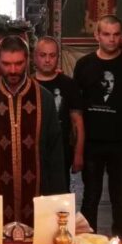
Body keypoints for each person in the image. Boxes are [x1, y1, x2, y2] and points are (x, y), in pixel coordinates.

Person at [0, 36, 66, 226]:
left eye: (18, 64)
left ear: (27, 60)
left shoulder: (44, 98)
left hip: (37, 189)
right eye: (6, 64)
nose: (12, 70)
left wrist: (57, 198)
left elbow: (55, 149)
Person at [72, 17, 122, 242]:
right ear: (97, 35)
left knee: (119, 198)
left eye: (116, 34)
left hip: (121, 143)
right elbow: (76, 109)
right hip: (91, 143)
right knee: (90, 197)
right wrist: (77, 145)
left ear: (121, 35)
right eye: (106, 34)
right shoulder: (84, 64)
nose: (111, 39)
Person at [34, 36, 85, 189]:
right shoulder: (27, 84)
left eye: (52, 55)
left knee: (60, 196)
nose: (47, 60)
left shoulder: (69, 84)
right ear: (35, 57)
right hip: (32, 152)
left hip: (61, 152)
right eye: (43, 55)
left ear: (58, 57)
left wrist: (79, 154)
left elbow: (77, 122)